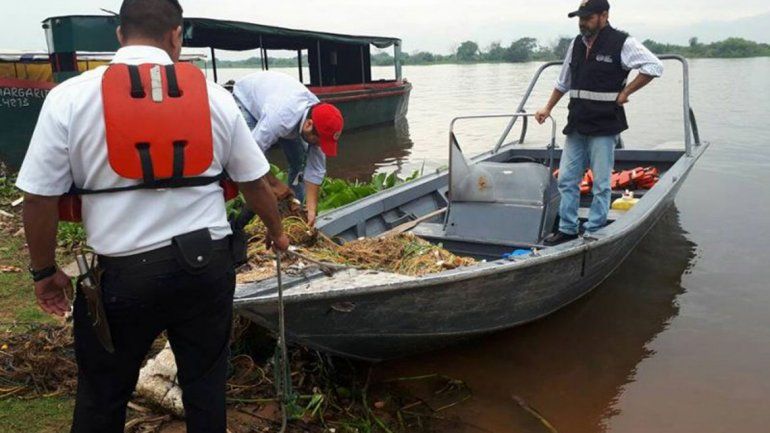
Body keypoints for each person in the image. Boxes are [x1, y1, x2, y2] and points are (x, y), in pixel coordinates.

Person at [17, 1, 289, 432]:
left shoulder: (68, 97)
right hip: (206, 269)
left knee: (103, 396)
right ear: (176, 35)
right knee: (205, 390)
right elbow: (256, 183)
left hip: (123, 279)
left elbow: (39, 198)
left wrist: (44, 272)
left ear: (120, 36)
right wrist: (277, 233)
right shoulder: (215, 97)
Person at [535, 0, 663, 245]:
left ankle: (594, 229)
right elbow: (563, 82)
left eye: (588, 17)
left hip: (604, 125)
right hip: (577, 123)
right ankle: (568, 228)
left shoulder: (622, 43)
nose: (582, 23)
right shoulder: (576, 44)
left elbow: (654, 66)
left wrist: (627, 92)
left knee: (601, 184)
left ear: (604, 16)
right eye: (580, 18)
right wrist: (547, 107)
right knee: (566, 179)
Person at [232, 71, 344, 226]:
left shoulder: (319, 118)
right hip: (247, 101)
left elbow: (316, 170)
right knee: (249, 170)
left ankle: (293, 213)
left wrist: (311, 209)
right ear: (308, 125)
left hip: (276, 103)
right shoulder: (280, 119)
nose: (319, 146)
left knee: (299, 163)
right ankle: (254, 218)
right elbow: (250, 156)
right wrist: (274, 184)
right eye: (318, 141)